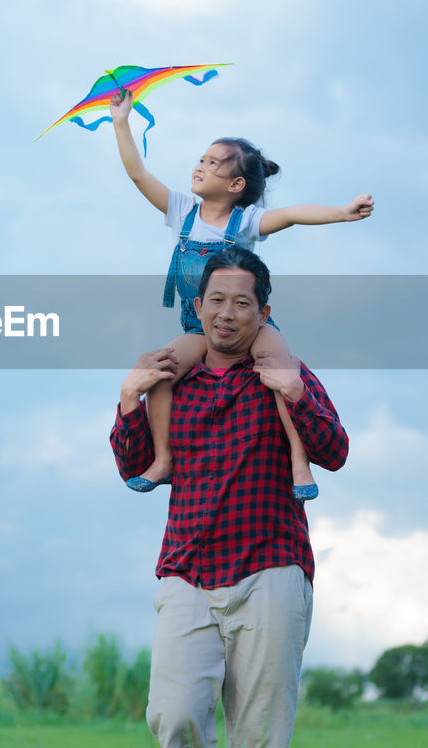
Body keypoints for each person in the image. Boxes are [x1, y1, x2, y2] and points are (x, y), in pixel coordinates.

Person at [110, 246, 349, 747]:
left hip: (270, 568)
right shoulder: (173, 384)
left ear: (263, 314)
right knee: (174, 717)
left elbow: (335, 451)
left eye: (242, 303)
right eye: (216, 300)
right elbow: (133, 468)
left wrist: (297, 394)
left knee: (260, 733)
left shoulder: (285, 372)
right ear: (197, 308)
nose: (226, 313)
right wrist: (129, 397)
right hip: (187, 570)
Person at [109, 88, 369, 500]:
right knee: (161, 370)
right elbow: (138, 173)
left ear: (235, 184)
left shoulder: (246, 220)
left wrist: (341, 212)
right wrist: (121, 122)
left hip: (251, 326)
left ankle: (299, 462)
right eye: (201, 159)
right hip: (200, 327)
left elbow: (295, 214)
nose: (200, 167)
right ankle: (163, 459)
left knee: (279, 369)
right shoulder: (181, 211)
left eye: (213, 164)